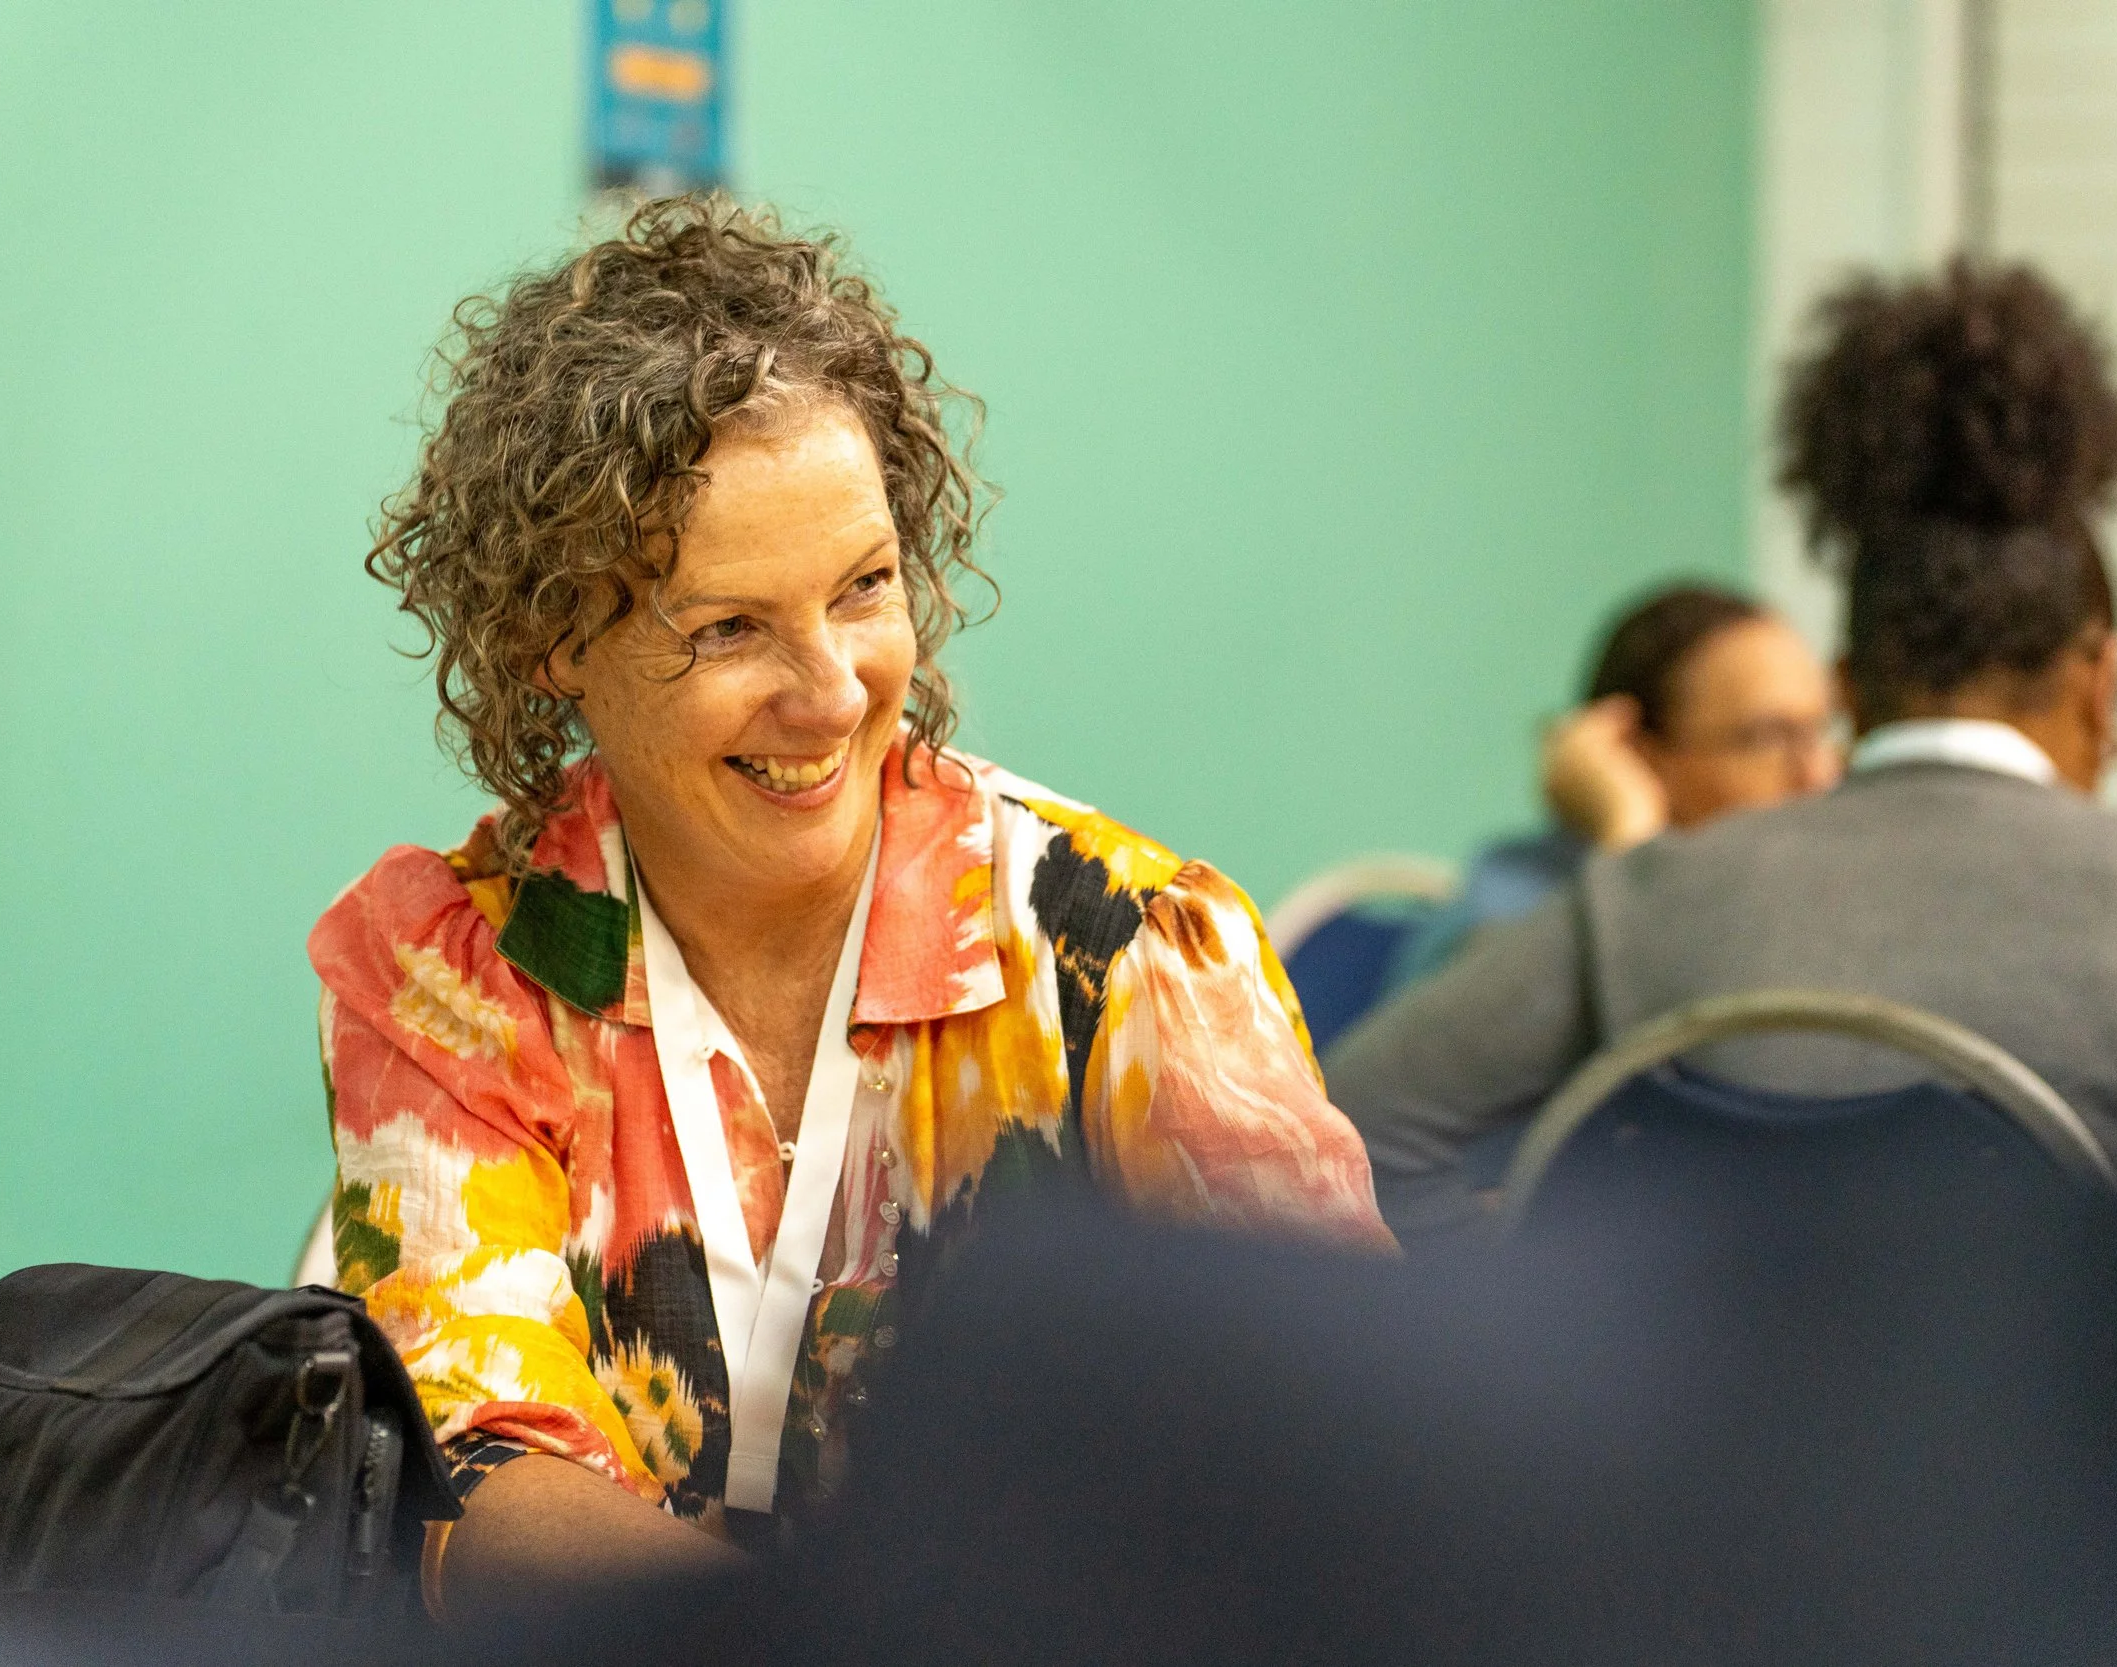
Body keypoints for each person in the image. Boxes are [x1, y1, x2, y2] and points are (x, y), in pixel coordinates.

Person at [311, 196, 1389, 1616]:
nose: (830, 693)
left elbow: (1353, 1443)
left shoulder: (1118, 949)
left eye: (865, 588)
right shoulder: (460, 969)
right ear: (553, 639)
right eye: (729, 626)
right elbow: (471, 1473)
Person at [1327, 257, 2117, 1233]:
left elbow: (1336, 1130)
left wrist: (1556, 1298)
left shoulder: (1649, 898)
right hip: (2087, 1389)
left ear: (1846, 682)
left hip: (1694, 1388)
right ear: (2096, 677)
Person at [1384, 584, 1839, 994]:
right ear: (1636, 753)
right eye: (1768, 738)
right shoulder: (1511, 915)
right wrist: (1631, 841)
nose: (1819, 776)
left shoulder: (1811, 892)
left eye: (1821, 731)